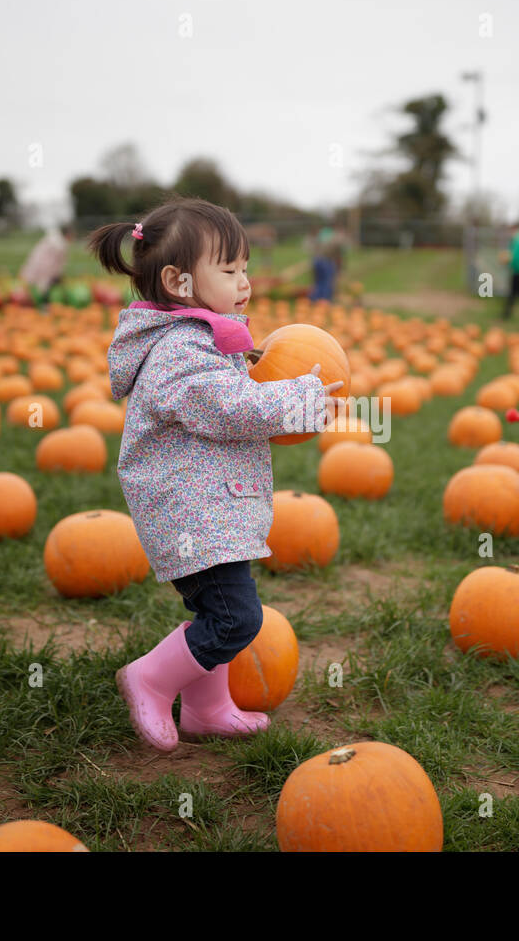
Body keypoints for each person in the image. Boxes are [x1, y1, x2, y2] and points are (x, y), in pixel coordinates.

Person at [89, 198, 345, 753]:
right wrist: (296, 398)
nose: (244, 281)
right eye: (229, 270)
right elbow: (230, 407)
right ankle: (150, 679)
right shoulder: (179, 350)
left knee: (215, 610)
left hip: (213, 508)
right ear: (179, 282)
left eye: (245, 268)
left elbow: (230, 395)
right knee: (235, 619)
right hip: (191, 515)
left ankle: (207, 709)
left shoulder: (200, 337)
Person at [19, 223, 75, 309]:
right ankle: (43, 306)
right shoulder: (59, 245)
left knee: (39, 286)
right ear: (67, 234)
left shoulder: (53, 239)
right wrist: (58, 273)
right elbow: (56, 262)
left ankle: (41, 304)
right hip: (45, 268)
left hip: (38, 264)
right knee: (44, 287)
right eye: (71, 234)